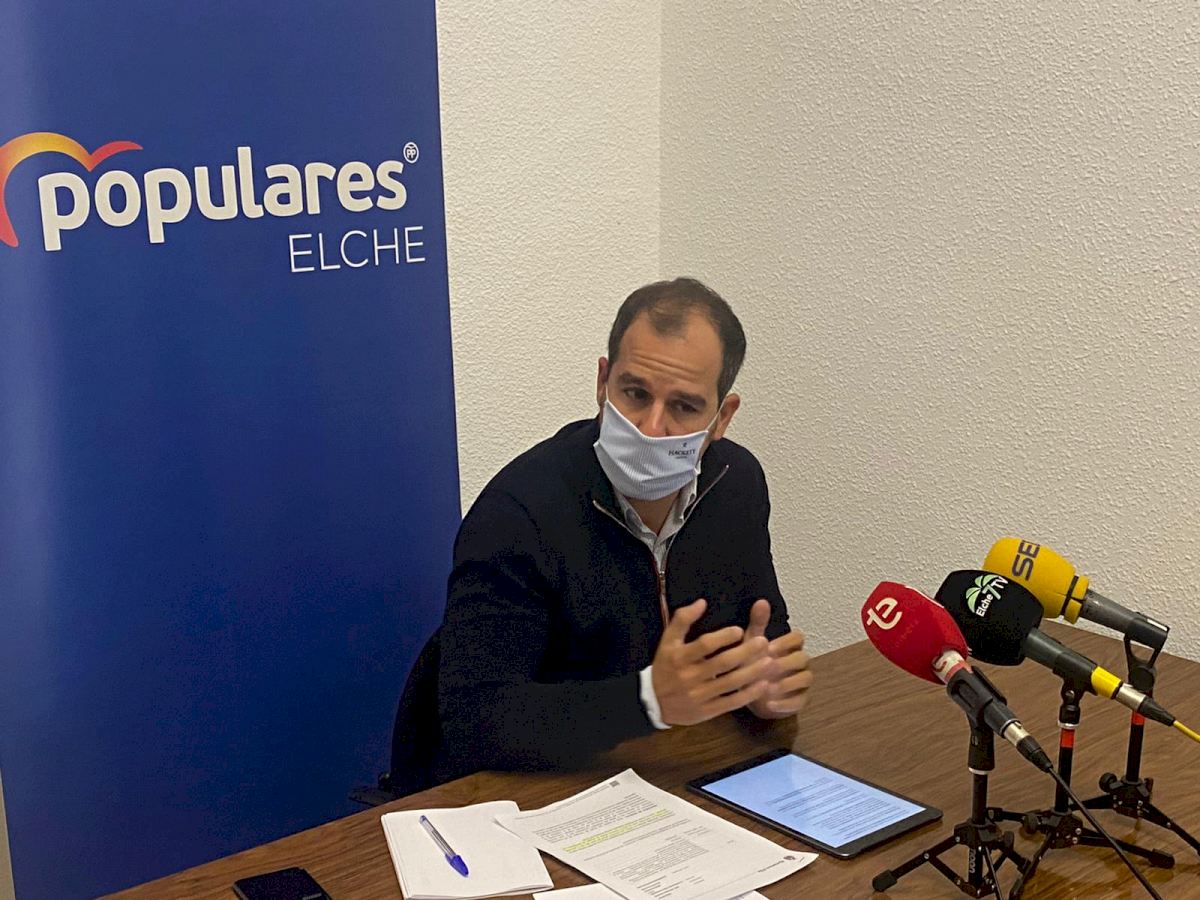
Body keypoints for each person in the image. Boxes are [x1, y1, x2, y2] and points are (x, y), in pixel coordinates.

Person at [434, 277, 811, 784]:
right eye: (635, 393)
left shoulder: (736, 483)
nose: (651, 428)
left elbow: (761, 632)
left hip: (679, 772)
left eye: (684, 406)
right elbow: (473, 721)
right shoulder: (518, 511)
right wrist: (647, 702)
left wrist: (766, 688)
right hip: (543, 788)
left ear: (722, 417)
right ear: (602, 382)